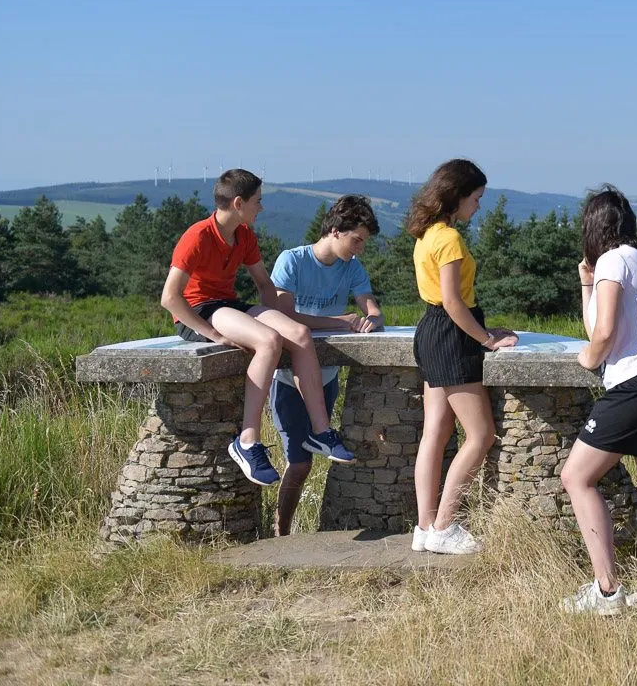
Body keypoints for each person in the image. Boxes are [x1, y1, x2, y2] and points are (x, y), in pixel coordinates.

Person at [160, 168, 355, 487]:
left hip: (228, 304)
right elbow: (170, 298)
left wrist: (278, 317)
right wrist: (214, 335)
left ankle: (321, 432)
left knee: (298, 334)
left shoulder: (244, 235)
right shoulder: (198, 236)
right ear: (238, 203)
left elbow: (264, 285)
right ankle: (247, 440)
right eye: (257, 202)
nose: (261, 208)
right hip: (199, 312)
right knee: (268, 341)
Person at [559, 185, 637, 615]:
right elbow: (599, 320)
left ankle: (607, 592)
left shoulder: (613, 260)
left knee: (576, 477)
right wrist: (587, 283)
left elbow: (603, 333)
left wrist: (588, 358)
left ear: (592, 229)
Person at [407, 159, 519, 554]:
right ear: (457, 196)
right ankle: (444, 526)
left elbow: (447, 303)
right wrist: (487, 339)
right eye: (476, 198)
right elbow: (454, 302)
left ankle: (424, 528)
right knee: (481, 434)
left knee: (435, 433)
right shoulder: (450, 239)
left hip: (430, 331)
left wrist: (486, 330)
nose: (479, 205)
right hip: (452, 337)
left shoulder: (427, 235)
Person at [267, 194, 385, 536]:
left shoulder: (352, 267)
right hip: (288, 380)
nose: (361, 248)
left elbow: (372, 309)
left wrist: (372, 320)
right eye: (357, 240)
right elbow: (283, 315)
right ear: (335, 231)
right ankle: (281, 532)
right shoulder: (292, 260)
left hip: (327, 378)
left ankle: (286, 532)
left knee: (309, 460)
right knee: (299, 463)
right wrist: (339, 322)